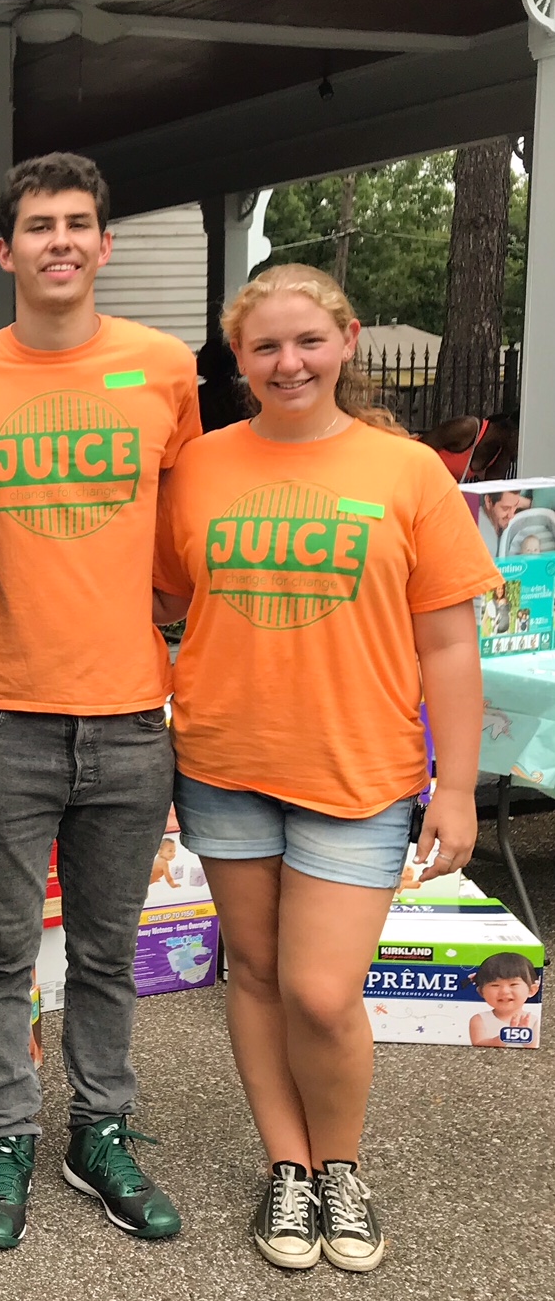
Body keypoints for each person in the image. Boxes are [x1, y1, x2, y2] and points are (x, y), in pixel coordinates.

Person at [153, 263, 497, 1273]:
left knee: (316, 988)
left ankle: (339, 1164)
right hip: (221, 760)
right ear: (239, 360)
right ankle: (287, 1170)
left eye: (306, 340)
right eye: (263, 346)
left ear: (345, 340)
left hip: (359, 770)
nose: (286, 361)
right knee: (252, 974)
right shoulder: (201, 467)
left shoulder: (404, 473)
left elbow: (447, 645)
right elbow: (164, 604)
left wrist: (458, 785)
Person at [0, 153, 198, 1251]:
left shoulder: (163, 368)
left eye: (78, 223)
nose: (59, 241)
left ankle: (101, 1131)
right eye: (37, 225)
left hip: (129, 715)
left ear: (104, 245)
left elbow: (185, 525)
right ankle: (5, 1135)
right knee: (1, 951)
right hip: (0, 714)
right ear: (5, 250)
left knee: (110, 953)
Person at [467, 953, 542, 1048]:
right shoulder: (479, 1019)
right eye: (495, 985)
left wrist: (524, 1037)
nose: (504, 991)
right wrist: (506, 1036)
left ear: (532, 990)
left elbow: (533, 1046)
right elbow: (478, 1043)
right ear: (481, 992)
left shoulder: (533, 1020)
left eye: (513, 984)